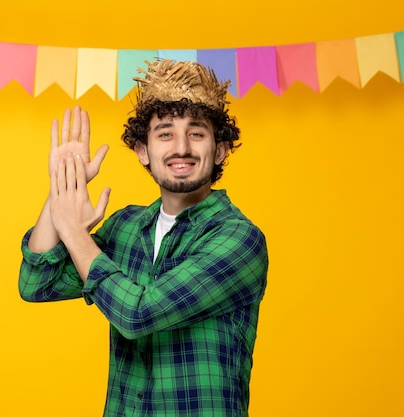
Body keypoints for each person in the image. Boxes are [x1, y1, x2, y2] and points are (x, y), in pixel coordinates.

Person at [19, 59, 269, 417]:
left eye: (197, 133)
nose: (181, 147)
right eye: (165, 133)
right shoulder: (127, 227)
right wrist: (62, 185)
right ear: (142, 151)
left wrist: (74, 232)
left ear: (220, 150)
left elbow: (138, 314)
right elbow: (37, 283)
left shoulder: (239, 239)